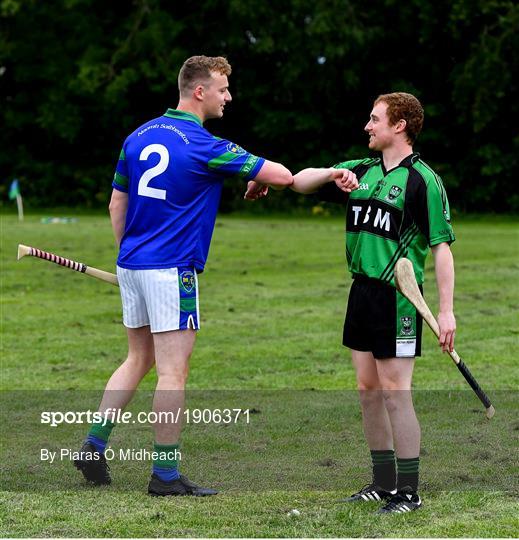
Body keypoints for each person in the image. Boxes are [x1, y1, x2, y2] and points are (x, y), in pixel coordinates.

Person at [74, 55, 293, 496]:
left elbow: (116, 206)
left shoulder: (137, 136)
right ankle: (166, 476)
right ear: (199, 91)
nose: (228, 97)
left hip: (133, 264)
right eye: (223, 89)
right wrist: (254, 180)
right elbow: (284, 176)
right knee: (172, 373)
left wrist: (130, 259)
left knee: (137, 359)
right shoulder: (204, 143)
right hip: (172, 269)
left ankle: (93, 444)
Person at [265, 92, 456, 514]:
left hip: (399, 298)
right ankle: (382, 481)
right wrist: (334, 173)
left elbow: (442, 248)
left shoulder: (423, 180)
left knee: (395, 392)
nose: (367, 126)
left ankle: (409, 490)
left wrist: (445, 311)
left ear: (399, 125)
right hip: (362, 292)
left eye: (374, 119)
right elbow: (299, 181)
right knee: (368, 390)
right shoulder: (361, 171)